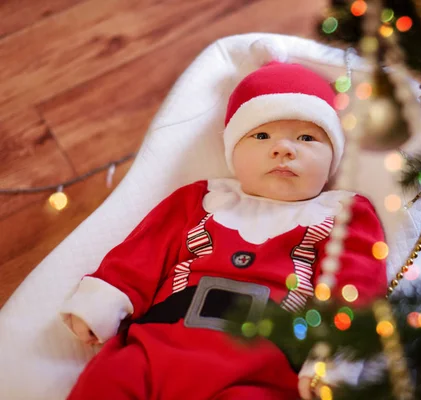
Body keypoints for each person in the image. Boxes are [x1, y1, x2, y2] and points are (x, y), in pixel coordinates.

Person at [60, 61, 387, 400]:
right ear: (233, 151)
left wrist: (333, 356)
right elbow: (145, 250)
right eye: (261, 135)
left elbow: (356, 282)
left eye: (307, 137)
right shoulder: (203, 199)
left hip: (262, 365)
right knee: (110, 379)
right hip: (159, 343)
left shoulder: (340, 213)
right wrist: (106, 298)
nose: (284, 149)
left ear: (333, 157)